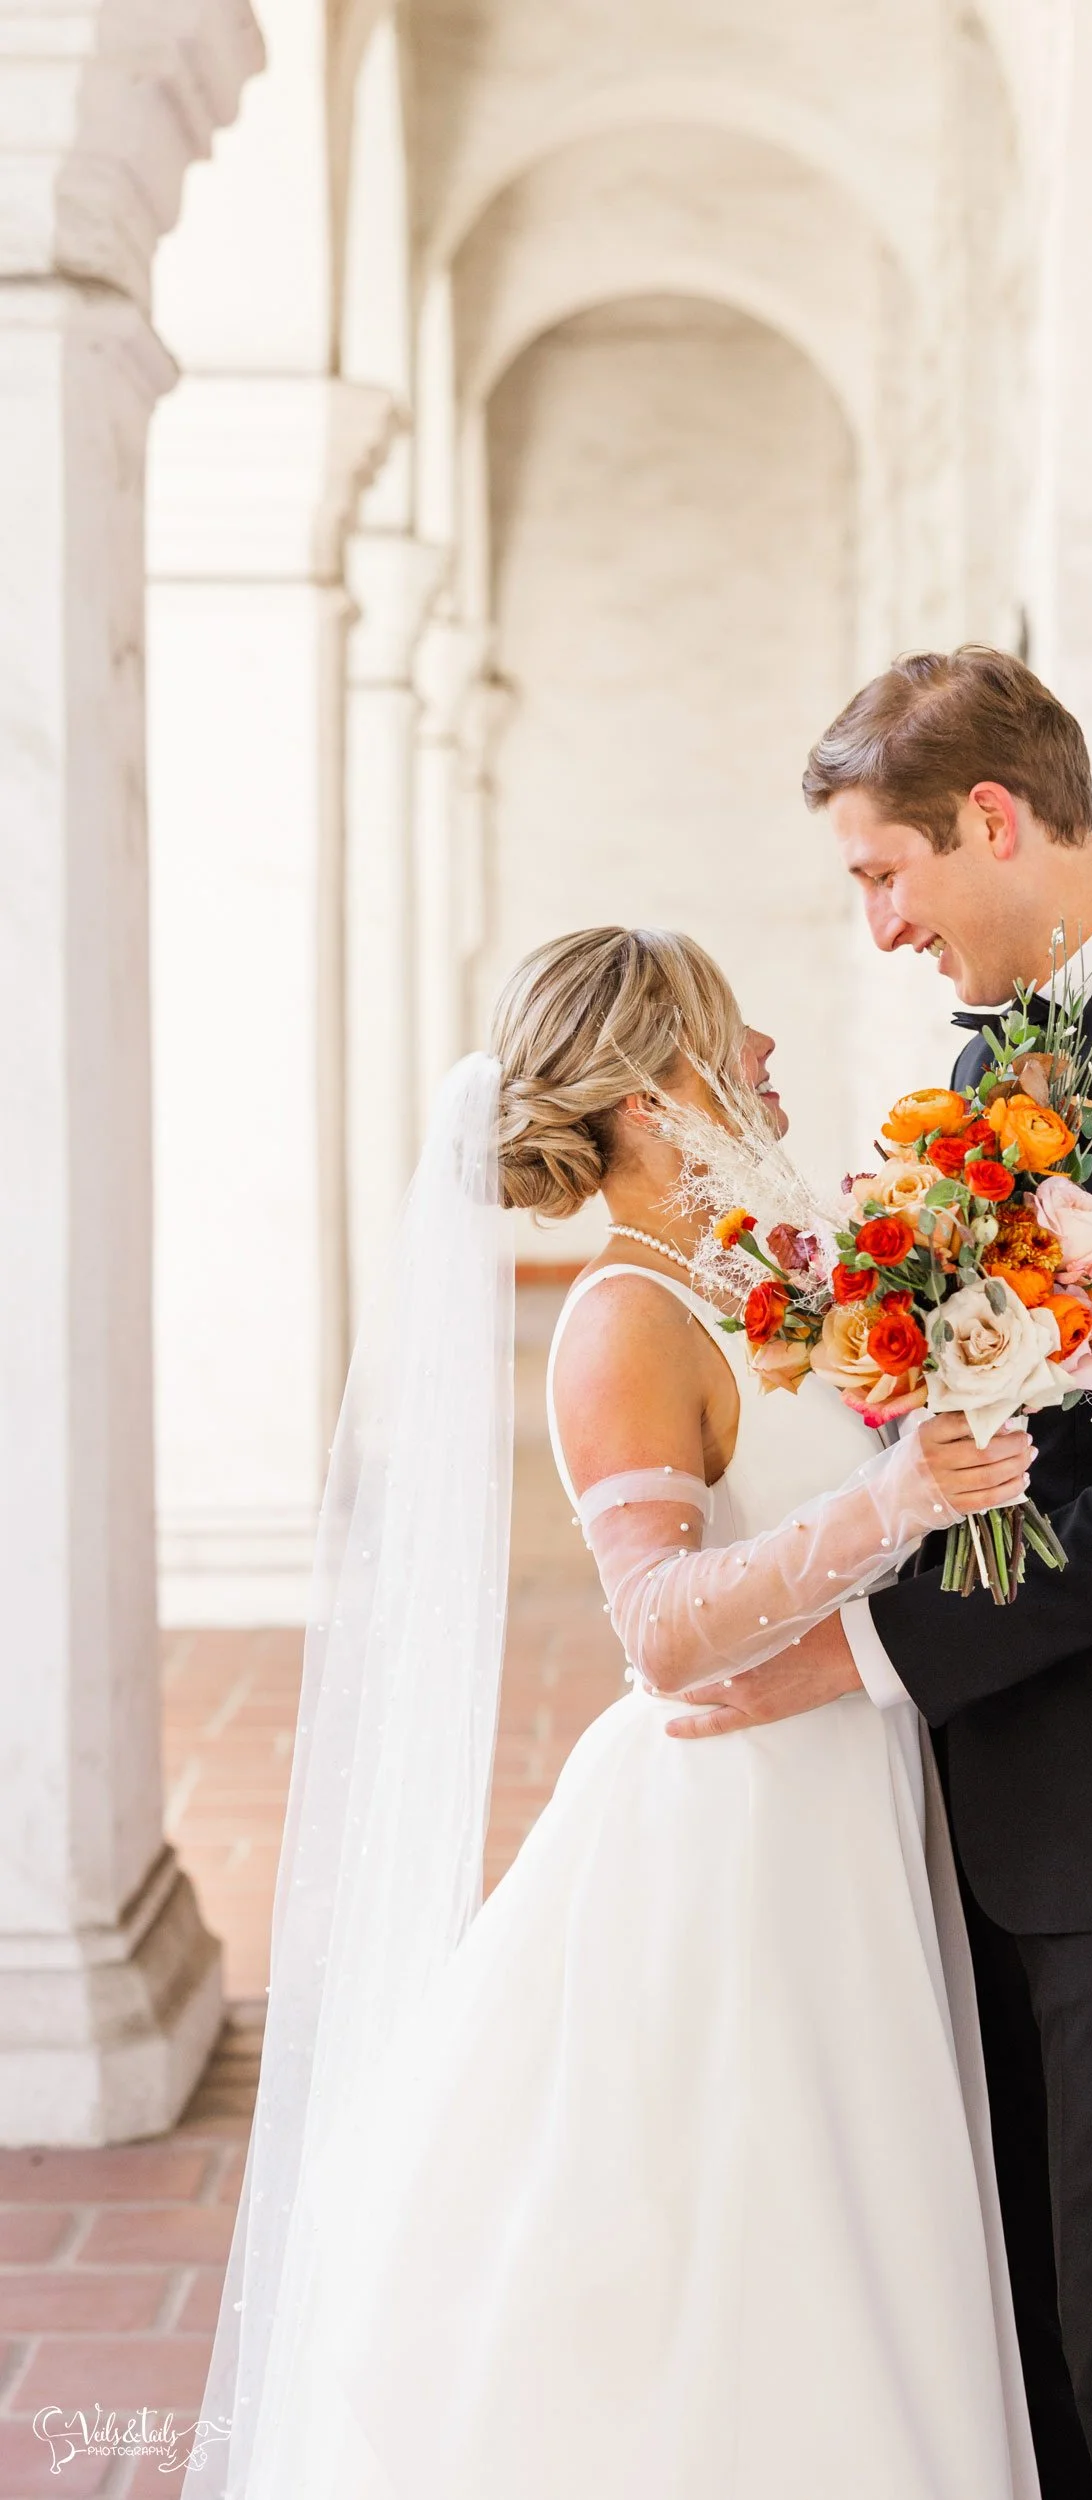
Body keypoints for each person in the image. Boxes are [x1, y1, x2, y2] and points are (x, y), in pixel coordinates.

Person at [188, 927, 1043, 2500]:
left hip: (840, 1790)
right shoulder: (624, 1322)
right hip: (745, 1827)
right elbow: (659, 1632)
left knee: (854, 2231)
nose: (767, 1053)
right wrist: (896, 1498)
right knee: (760, 2255)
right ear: (654, 1097)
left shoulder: (745, 1277)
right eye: (733, 1032)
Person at [671, 649, 1092, 2500]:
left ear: (989, 819)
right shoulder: (999, 1058)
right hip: (994, 1777)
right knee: (1022, 2321)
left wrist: (854, 1654)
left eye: (882, 874)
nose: (883, 928)